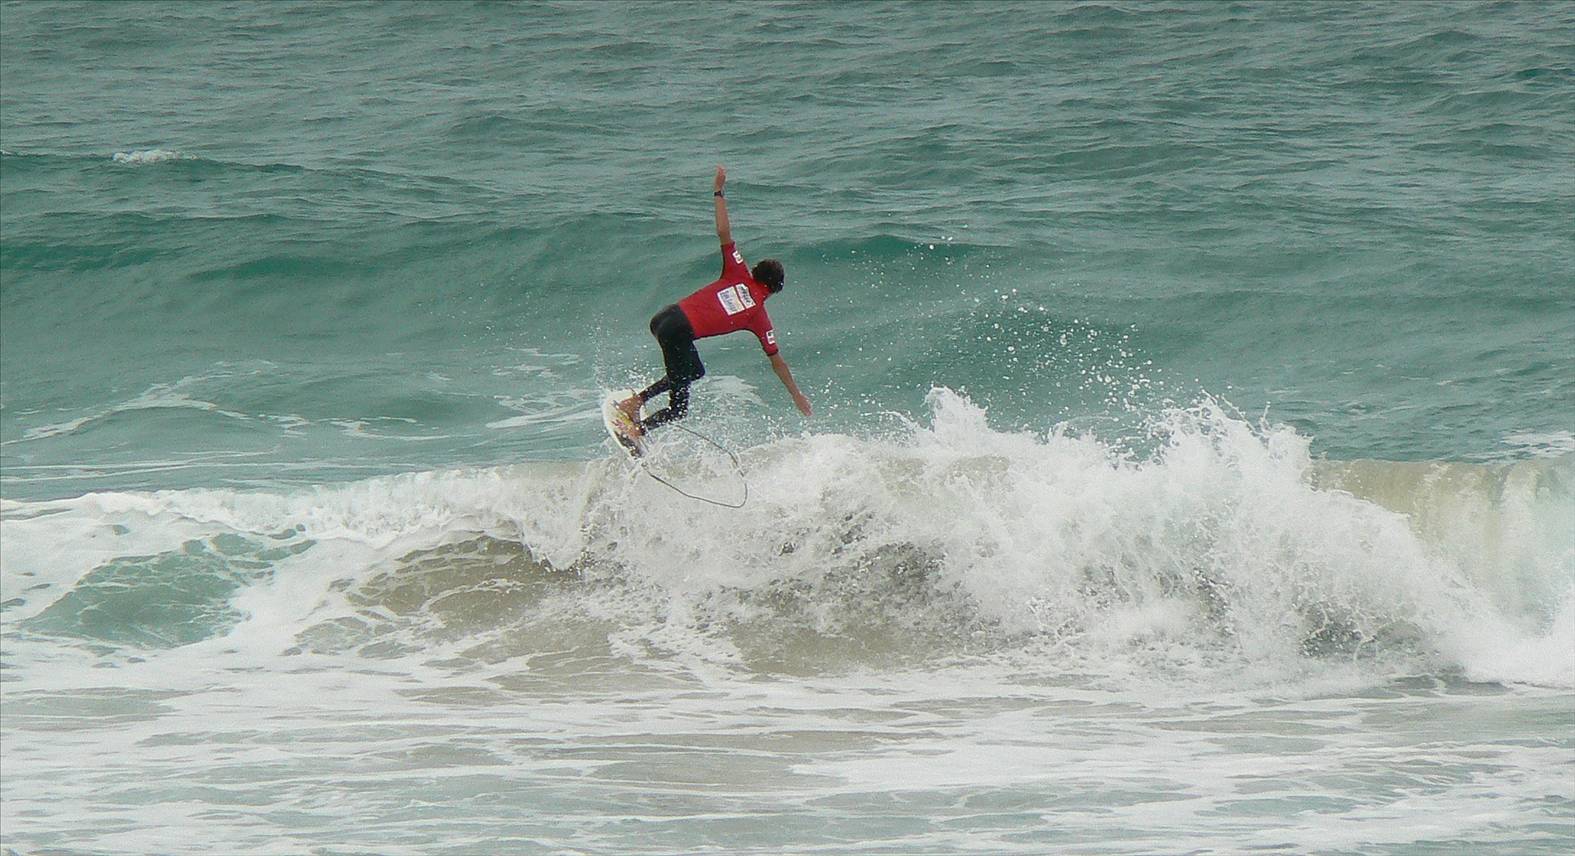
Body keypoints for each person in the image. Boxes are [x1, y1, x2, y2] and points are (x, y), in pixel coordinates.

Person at [615, 166, 812, 444]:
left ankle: (635, 403)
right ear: (775, 289)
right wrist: (796, 395)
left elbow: (723, 231)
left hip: (665, 317)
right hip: (679, 333)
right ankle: (636, 428)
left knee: (692, 371)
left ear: (755, 272)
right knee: (679, 409)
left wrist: (718, 190)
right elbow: (777, 362)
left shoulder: (737, 270)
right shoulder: (758, 316)